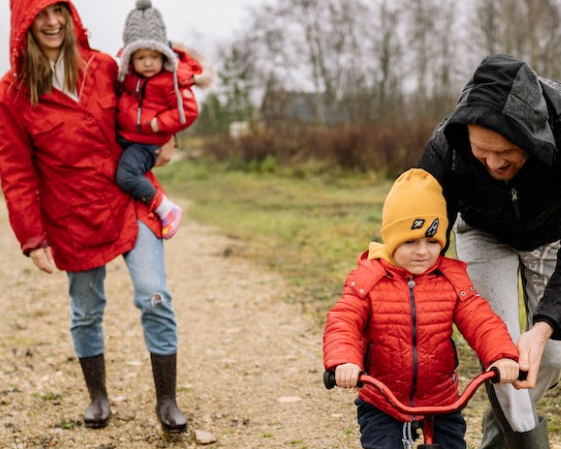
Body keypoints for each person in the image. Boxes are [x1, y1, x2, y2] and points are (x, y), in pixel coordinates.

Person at [0, 0, 193, 433]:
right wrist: (32, 236)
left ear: (69, 16)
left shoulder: (104, 66)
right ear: (23, 24)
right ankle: (98, 398)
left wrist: (169, 135)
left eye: (58, 11)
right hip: (70, 216)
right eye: (39, 15)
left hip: (129, 200)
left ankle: (167, 401)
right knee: (86, 311)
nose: (51, 22)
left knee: (153, 294)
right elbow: (15, 169)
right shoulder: (13, 92)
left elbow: (154, 88)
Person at [418, 53, 561, 449]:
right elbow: (421, 228)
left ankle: (502, 423)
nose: (494, 163)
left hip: (551, 232)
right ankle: (516, 435)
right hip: (482, 230)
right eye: (482, 152)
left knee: (551, 356)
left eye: (506, 152)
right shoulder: (446, 143)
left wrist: (545, 323)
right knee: (500, 350)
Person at [323, 168, 520, 449]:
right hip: (384, 399)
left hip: (442, 398)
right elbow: (343, 321)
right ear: (392, 240)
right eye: (411, 241)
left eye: (432, 241)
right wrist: (345, 361)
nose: (423, 251)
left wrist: (501, 356)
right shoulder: (369, 278)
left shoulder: (452, 279)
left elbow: (481, 319)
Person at [116, 0, 211, 239]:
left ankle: (166, 209)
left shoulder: (170, 80)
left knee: (126, 175)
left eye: (153, 56)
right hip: (127, 136)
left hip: (147, 143)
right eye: (140, 57)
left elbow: (187, 112)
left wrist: (159, 124)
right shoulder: (127, 78)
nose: (147, 63)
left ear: (163, 55)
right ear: (130, 59)